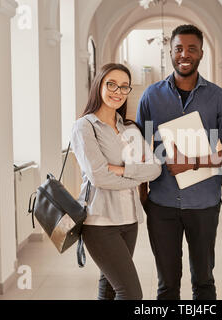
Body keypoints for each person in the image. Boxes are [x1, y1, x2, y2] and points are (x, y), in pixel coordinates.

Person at [136, 24, 222, 300]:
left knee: (204, 283)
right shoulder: (151, 97)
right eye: (179, 49)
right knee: (167, 286)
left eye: (191, 49)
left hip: (204, 204)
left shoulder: (219, 99)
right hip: (161, 204)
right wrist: (143, 195)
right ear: (170, 52)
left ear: (201, 53)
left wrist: (192, 162)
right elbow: (140, 147)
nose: (185, 54)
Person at [71, 63, 162, 300]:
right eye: (111, 84)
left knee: (110, 286)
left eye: (124, 87)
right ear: (99, 85)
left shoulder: (129, 127)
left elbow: (154, 168)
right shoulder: (85, 126)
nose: (118, 91)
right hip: (100, 222)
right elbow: (99, 176)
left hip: (129, 219)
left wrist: (121, 170)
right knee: (130, 293)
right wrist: (134, 176)